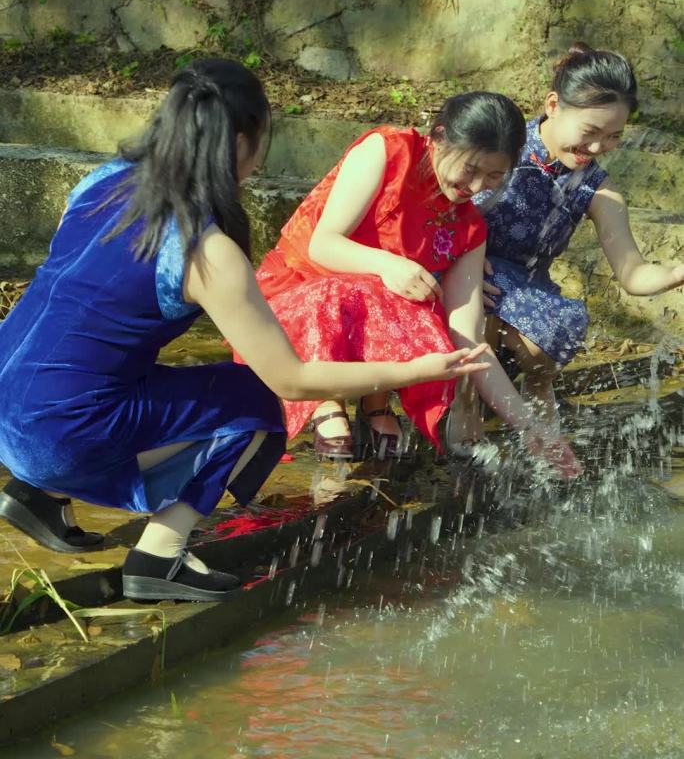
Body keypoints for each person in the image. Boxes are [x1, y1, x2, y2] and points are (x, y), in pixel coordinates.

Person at [0, 59, 492, 603]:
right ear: (240, 144)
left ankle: (38, 494)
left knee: (114, 367)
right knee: (256, 399)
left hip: (9, 400)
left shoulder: (101, 182)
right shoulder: (205, 251)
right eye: (261, 141)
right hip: (57, 435)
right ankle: (159, 556)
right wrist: (414, 371)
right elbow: (293, 379)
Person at [254, 91, 580, 474]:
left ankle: (372, 401)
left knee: (425, 314)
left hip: (365, 317)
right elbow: (323, 244)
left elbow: (469, 342)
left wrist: (529, 426)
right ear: (440, 137)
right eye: (471, 169)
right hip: (293, 304)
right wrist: (388, 265)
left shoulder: (468, 228)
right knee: (379, 286)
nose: (476, 188)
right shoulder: (388, 151)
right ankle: (327, 401)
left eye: (494, 177)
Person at [451, 43, 684, 443]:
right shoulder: (503, 146)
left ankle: (537, 397)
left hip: (527, 289)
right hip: (462, 274)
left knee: (562, 328)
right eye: (590, 133)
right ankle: (465, 401)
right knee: (485, 295)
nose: (596, 149)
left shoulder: (598, 188)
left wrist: (677, 272)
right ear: (554, 105)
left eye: (613, 137)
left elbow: (633, 274)